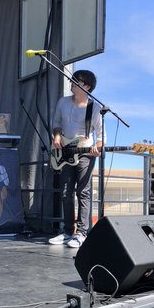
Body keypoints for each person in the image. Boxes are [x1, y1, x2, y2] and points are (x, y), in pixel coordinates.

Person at [48, 70, 103, 248]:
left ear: (86, 86)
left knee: (83, 192)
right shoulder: (63, 102)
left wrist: (97, 148)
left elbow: (101, 136)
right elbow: (56, 123)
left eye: (76, 81)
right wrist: (56, 137)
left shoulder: (94, 107)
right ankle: (67, 231)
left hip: (85, 152)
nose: (71, 83)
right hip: (65, 152)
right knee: (65, 192)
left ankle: (82, 233)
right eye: (72, 80)